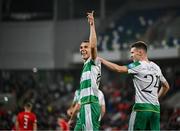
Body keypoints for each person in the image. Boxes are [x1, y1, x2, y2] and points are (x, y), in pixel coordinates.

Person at [99, 41, 170, 130]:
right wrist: (157, 98)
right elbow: (166, 86)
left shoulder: (138, 64)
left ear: (140, 52)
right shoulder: (156, 67)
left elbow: (119, 69)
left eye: (132, 52)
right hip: (155, 110)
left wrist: (101, 60)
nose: (131, 56)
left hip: (141, 109)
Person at [68, 11, 102, 130]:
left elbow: (93, 46)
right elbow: (80, 100)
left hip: (90, 104)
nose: (82, 49)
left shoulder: (93, 61)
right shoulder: (85, 67)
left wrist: (92, 25)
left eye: (85, 47)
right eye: (81, 47)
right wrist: (72, 118)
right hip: (84, 106)